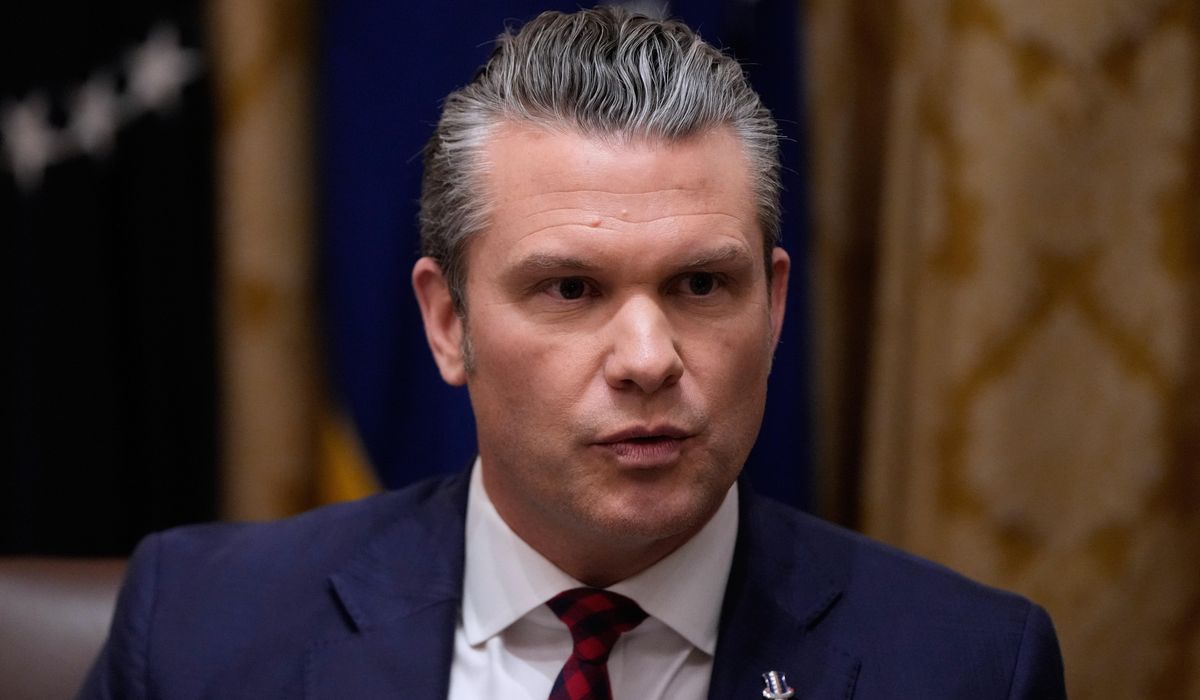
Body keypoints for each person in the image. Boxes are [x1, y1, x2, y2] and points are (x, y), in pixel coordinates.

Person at [80, 7, 1065, 699]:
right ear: (448, 322)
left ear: (774, 308)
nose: (647, 358)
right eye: (570, 289)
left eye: (701, 284)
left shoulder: (967, 666)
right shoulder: (199, 627)